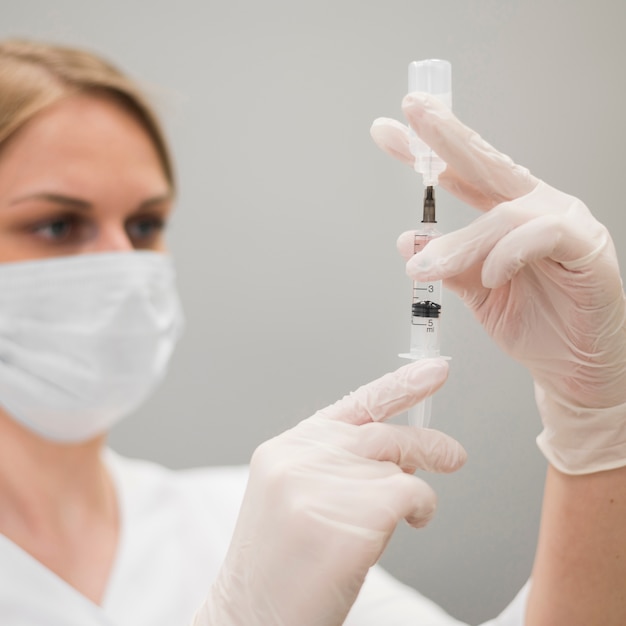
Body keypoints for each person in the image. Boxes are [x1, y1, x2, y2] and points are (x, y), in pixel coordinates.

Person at [0, 38, 624, 626]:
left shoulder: (255, 520)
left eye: (143, 226)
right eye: (56, 225)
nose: (125, 267)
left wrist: (594, 428)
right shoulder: (260, 558)